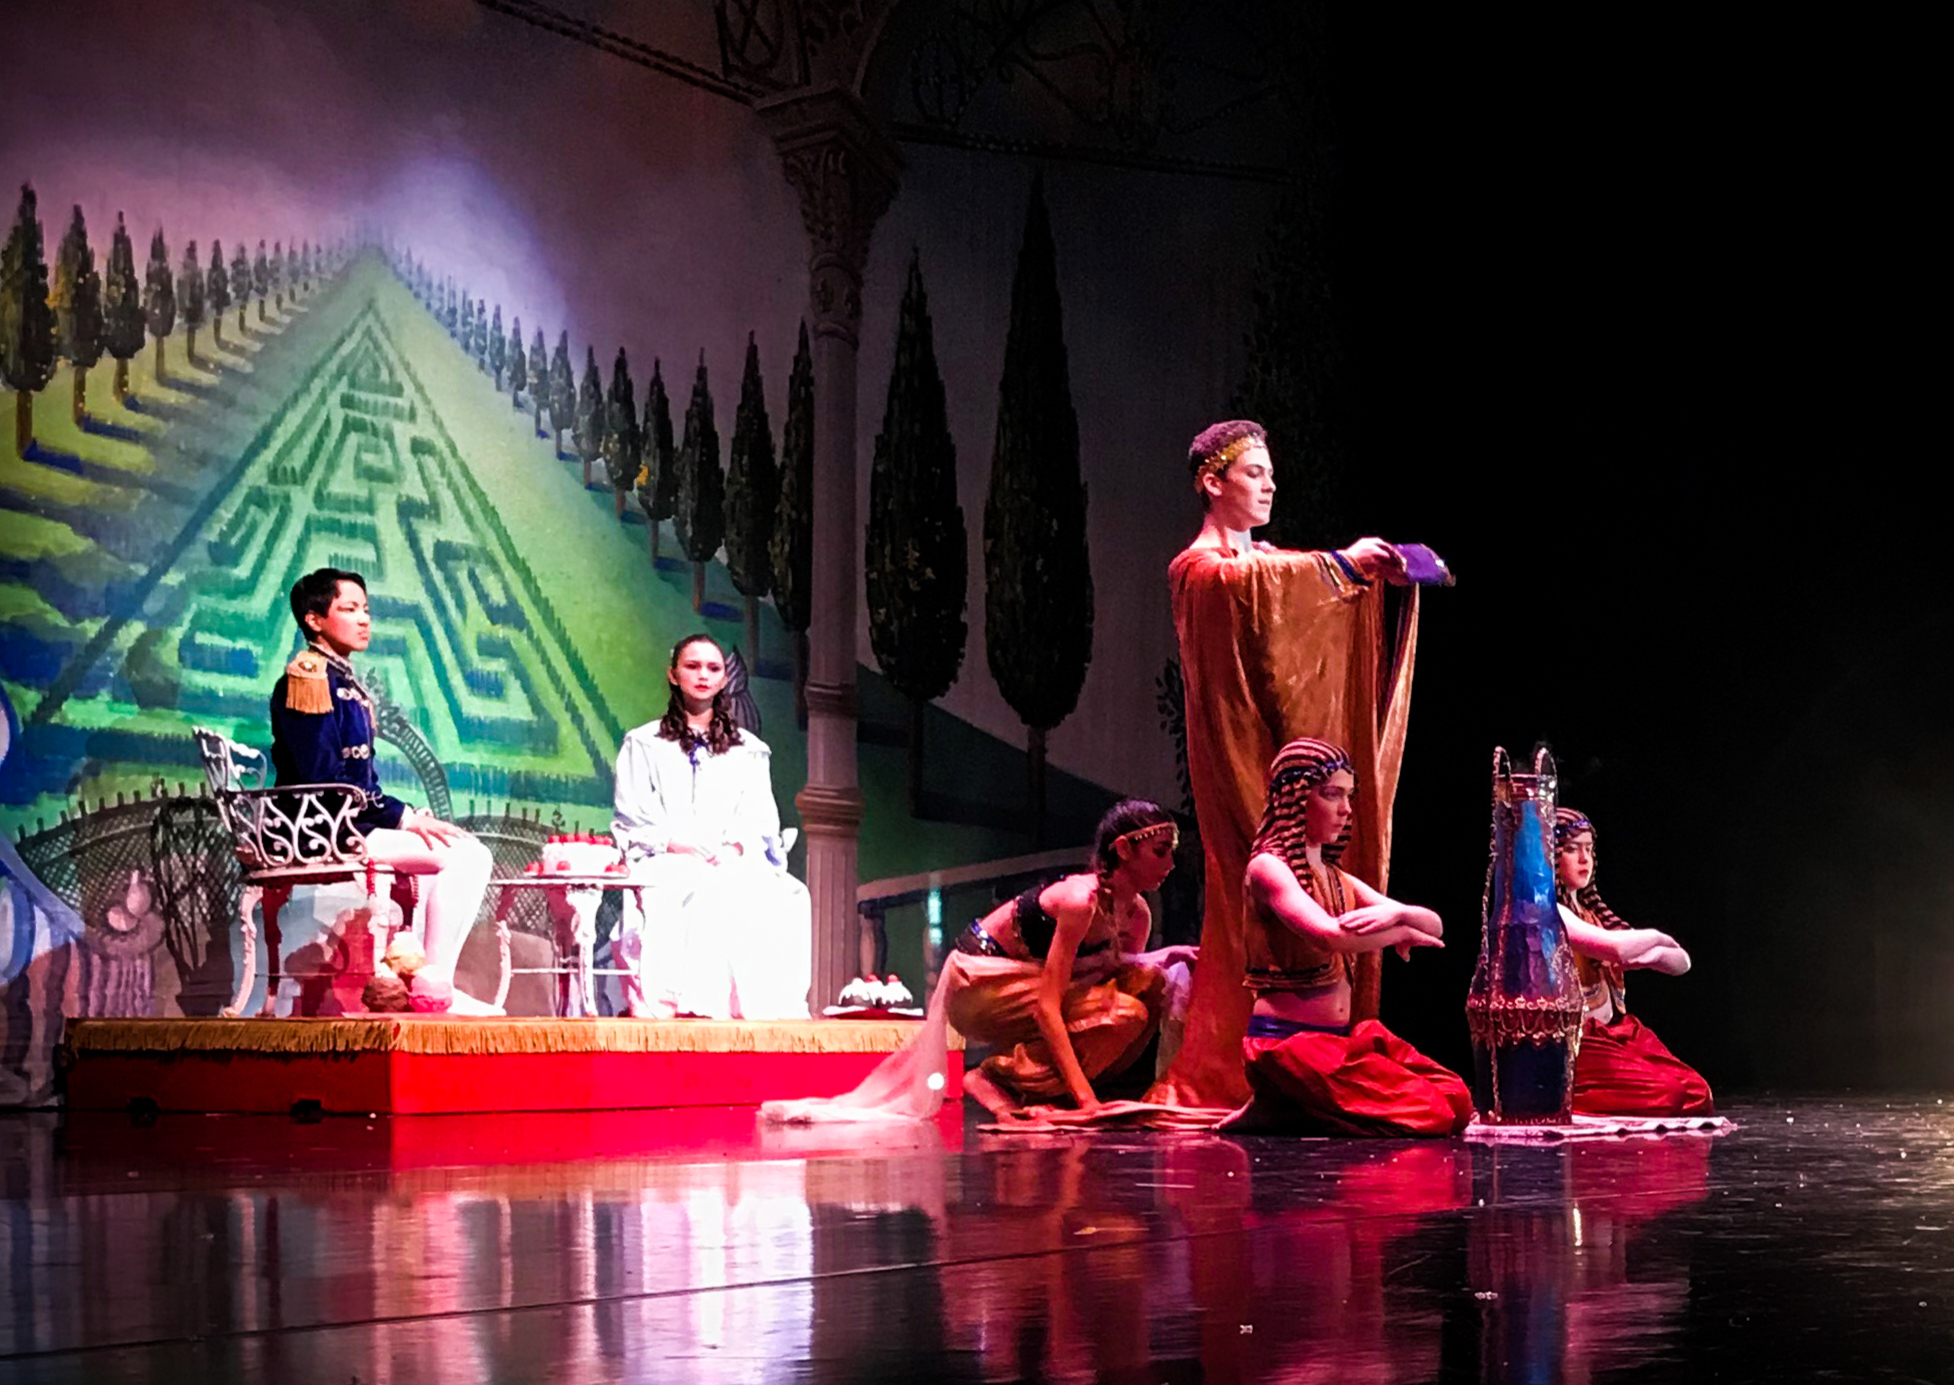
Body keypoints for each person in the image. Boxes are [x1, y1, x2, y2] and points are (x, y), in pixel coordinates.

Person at [1152, 420, 1422, 1110]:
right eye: (1253, 473)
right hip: (1240, 763)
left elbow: (1285, 582)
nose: (1270, 483)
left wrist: (1366, 577)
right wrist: (1341, 563)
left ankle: (1325, 1038)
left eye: (1272, 472)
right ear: (1212, 483)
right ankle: (1244, 1062)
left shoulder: (1262, 562)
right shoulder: (1198, 571)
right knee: (1258, 882)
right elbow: (1259, 582)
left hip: (1280, 753)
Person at [761, 799, 1193, 1124]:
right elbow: (1048, 1004)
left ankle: (1047, 1087)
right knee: (1123, 1011)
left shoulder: (1135, 912)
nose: (1171, 864)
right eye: (1160, 851)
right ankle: (995, 1079)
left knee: (1148, 986)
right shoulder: (1081, 901)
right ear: (1123, 849)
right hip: (979, 984)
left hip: (1027, 986)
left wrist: (1164, 957)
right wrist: (1088, 1105)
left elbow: (1119, 969)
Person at [270, 568, 498, 1015]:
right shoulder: (309, 679)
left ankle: (430, 984)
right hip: (321, 826)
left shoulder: (343, 681)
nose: (363, 620)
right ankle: (435, 987)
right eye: (349, 609)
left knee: (451, 850)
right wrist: (402, 816)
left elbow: (355, 783)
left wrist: (404, 813)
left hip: (348, 819)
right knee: (469, 856)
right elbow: (326, 781)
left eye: (366, 610)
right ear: (314, 620)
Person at [1221, 738, 1472, 1136]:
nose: (1345, 809)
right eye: (1332, 794)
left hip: (1337, 1042)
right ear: (1295, 797)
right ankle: (1284, 1097)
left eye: (1349, 796)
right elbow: (1328, 936)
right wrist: (1400, 932)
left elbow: (1435, 925)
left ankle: (1289, 1106)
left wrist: (1401, 913)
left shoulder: (1337, 877)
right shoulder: (1268, 868)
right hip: (1287, 1045)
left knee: (1456, 1099)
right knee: (1430, 1114)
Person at [610, 633, 810, 1020]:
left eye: (713, 668)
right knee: (689, 883)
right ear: (673, 675)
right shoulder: (644, 743)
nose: (703, 675)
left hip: (729, 856)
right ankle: (685, 1004)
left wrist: (735, 848)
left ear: (723, 680)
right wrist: (675, 845)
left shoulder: (748, 749)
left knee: (787, 892)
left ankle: (761, 1007)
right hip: (667, 856)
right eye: (693, 666)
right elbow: (632, 815)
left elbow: (758, 816)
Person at [1554, 808, 1714, 1116]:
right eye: (1572, 849)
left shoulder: (1594, 914)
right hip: (1579, 1038)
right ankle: (1559, 1099)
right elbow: (1618, 949)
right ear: (1551, 855)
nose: (1584, 859)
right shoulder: (1551, 913)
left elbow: (1682, 964)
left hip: (1618, 1030)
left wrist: (1653, 953)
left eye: (1589, 849)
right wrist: (1654, 939)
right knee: (1666, 1096)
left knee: (1696, 1093)